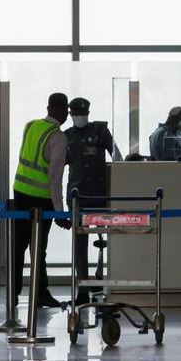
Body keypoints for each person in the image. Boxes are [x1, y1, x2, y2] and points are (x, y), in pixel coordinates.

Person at [12, 93, 71, 308]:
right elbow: (55, 178)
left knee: (18, 246)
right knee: (38, 248)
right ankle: (40, 293)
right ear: (64, 111)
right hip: (40, 199)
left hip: (20, 191)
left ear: (47, 107)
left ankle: (14, 294)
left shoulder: (31, 126)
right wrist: (59, 213)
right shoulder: (58, 137)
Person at [64, 97, 120, 305]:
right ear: (71, 115)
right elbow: (59, 167)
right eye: (76, 113)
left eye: (83, 113)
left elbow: (116, 156)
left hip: (100, 193)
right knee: (80, 244)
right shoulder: (66, 136)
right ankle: (83, 289)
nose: (80, 117)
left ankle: (104, 279)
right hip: (78, 195)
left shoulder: (100, 132)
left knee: (107, 238)